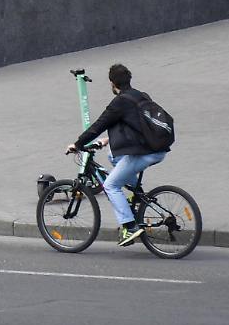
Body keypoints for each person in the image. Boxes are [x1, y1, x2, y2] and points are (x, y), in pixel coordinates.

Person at [66, 64, 166, 247]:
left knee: (111, 185)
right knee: (113, 156)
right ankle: (137, 196)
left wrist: (78, 144)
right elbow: (135, 125)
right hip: (158, 148)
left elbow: (99, 124)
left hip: (144, 152)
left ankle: (130, 226)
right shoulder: (141, 95)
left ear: (112, 83)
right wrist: (107, 140)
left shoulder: (119, 102)